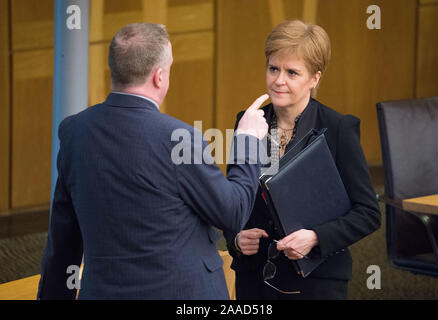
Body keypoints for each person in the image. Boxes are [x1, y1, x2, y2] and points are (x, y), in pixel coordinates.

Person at [37, 23, 269, 300]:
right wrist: (247, 139)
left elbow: (63, 236)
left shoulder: (75, 131)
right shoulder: (179, 138)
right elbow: (232, 211)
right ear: (159, 76)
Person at [225, 20, 381, 300]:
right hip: (256, 277)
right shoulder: (248, 121)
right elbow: (233, 199)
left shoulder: (337, 129)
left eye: (292, 72)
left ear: (315, 78)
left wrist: (316, 237)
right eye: (273, 68)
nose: (278, 80)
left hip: (316, 280)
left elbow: (368, 213)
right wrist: (236, 238)